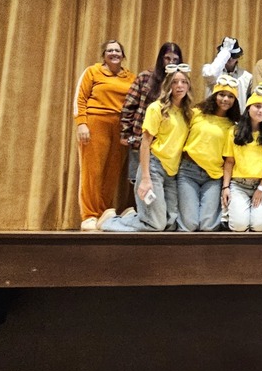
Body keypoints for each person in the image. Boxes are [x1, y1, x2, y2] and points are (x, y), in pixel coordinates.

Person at [99, 65, 192, 232]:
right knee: (156, 225)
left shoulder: (187, 113)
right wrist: (145, 178)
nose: (180, 86)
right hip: (154, 167)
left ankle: (132, 217)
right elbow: (145, 143)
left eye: (184, 82)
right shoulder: (156, 108)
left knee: (171, 223)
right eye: (175, 82)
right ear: (168, 85)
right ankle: (110, 222)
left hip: (171, 173)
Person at [74, 40, 136, 230]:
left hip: (120, 127)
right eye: (110, 50)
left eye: (117, 50)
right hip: (95, 123)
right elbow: (80, 98)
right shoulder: (92, 72)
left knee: (112, 172)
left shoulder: (131, 77)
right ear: (104, 55)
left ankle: (103, 213)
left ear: (123, 55)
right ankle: (89, 214)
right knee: (92, 170)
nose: (114, 53)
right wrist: (81, 123)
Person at [176, 75, 240, 232]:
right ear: (215, 95)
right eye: (222, 94)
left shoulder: (233, 126)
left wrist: (225, 185)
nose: (225, 99)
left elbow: (229, 159)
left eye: (230, 96)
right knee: (190, 225)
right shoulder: (197, 113)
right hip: (189, 172)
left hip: (213, 177)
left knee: (208, 226)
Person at [221, 87, 262, 232]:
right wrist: (225, 187)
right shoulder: (234, 131)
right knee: (239, 226)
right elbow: (229, 161)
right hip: (239, 184)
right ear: (248, 107)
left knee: (259, 226)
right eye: (257, 106)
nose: (261, 111)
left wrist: (261, 188)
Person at [121, 42, 184, 187]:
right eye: (167, 58)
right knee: (140, 183)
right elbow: (129, 105)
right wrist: (125, 132)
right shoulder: (146, 77)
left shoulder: (180, 82)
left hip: (165, 145)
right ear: (161, 58)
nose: (171, 62)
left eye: (175, 59)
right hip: (141, 137)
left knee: (158, 186)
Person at [202, 36, 251, 104]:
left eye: (234, 55)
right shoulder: (210, 69)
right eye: (228, 55)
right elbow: (211, 74)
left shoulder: (247, 77)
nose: (230, 58)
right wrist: (225, 52)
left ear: (238, 57)